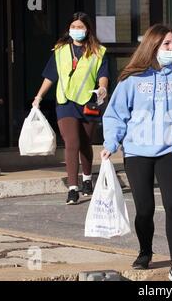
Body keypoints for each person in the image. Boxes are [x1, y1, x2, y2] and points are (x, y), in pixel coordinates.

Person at [100, 24, 172, 281]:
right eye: (166, 44)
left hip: (168, 149)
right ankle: (145, 251)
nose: (171, 48)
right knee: (144, 209)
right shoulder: (132, 78)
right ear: (153, 46)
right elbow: (116, 114)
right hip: (136, 151)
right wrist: (110, 143)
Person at [32, 12, 109, 205]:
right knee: (71, 142)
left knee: (85, 143)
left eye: (80, 27)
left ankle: (87, 178)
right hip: (65, 102)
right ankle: (73, 188)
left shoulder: (98, 52)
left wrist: (102, 88)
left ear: (88, 29)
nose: (77, 30)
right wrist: (38, 97)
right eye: (73, 27)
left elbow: (103, 75)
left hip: (89, 102)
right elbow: (50, 76)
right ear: (68, 29)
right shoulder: (60, 51)